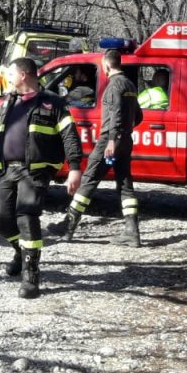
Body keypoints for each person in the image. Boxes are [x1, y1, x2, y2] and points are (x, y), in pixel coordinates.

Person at [0, 57, 82, 298]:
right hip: (7, 170)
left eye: (10, 74)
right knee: (1, 219)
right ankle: (20, 252)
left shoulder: (52, 103)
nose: (8, 79)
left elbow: (70, 136)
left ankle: (31, 275)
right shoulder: (9, 101)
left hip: (35, 171)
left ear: (23, 75)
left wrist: (74, 168)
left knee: (26, 216)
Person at [50, 48, 142, 247]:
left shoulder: (114, 86)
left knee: (89, 179)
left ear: (107, 65)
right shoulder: (130, 85)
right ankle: (132, 232)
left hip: (109, 142)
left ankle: (68, 228)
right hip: (125, 141)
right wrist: (123, 133)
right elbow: (138, 116)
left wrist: (111, 140)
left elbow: (116, 113)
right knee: (125, 183)